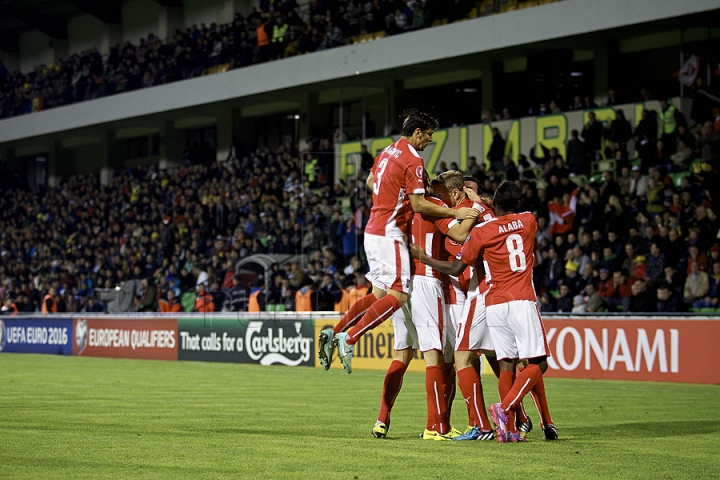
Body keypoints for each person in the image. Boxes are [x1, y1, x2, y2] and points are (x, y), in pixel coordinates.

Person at [317, 109, 478, 374]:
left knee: (378, 294)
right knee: (399, 295)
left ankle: (336, 331)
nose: (429, 141)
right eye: (428, 135)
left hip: (372, 228)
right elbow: (418, 203)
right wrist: (455, 211)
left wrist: (393, 197)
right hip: (391, 234)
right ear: (417, 132)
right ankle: (350, 338)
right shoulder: (414, 163)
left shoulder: (387, 152)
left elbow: (371, 180)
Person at [411, 181, 557, 443]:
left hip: (490, 299)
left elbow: (457, 265)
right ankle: (517, 416)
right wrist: (480, 202)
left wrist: (423, 257)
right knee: (532, 363)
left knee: (495, 362)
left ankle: (497, 423)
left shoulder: (480, 228)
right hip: (520, 298)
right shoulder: (527, 220)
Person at [372, 170, 478, 441]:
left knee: (401, 355)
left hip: (398, 285)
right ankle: (437, 426)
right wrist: (475, 208)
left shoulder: (395, 210)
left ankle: (382, 419)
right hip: (427, 283)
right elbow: (460, 234)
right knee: (436, 356)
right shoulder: (435, 207)